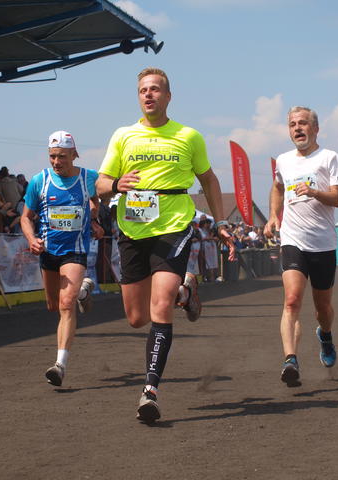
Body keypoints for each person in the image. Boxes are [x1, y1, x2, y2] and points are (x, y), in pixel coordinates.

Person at [96, 67, 236, 423]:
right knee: (136, 318)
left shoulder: (188, 136)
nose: (149, 94)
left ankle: (150, 391)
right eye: (143, 89)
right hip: (132, 230)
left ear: (168, 96)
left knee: (160, 306)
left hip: (173, 226)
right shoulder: (123, 136)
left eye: (155, 89)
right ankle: (186, 291)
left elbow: (209, 179)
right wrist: (116, 185)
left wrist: (221, 222)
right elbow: (100, 183)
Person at [264, 106, 338, 386]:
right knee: (291, 300)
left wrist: (313, 192)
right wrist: (273, 215)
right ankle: (290, 360)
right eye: (292, 124)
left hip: (322, 243)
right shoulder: (284, 161)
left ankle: (325, 335)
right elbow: (277, 187)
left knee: (323, 308)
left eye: (303, 123)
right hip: (293, 239)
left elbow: (337, 199)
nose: (297, 128)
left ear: (316, 128)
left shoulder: (329, 157)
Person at [21, 131, 104, 387]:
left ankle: (60, 365)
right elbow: (25, 217)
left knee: (66, 304)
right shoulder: (40, 181)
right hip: (48, 251)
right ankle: (83, 291)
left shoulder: (89, 178)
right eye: (52, 156)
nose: (56, 162)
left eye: (62, 157)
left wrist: (94, 219)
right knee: (53, 305)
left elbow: (97, 200)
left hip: (75, 250)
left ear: (74, 154)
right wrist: (31, 239)